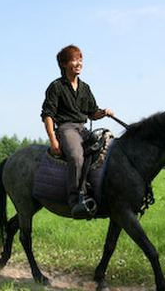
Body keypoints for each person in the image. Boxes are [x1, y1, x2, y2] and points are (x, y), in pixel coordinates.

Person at [41, 45, 114, 219]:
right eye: (74, 59)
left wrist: (103, 112)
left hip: (83, 128)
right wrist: (53, 140)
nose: (79, 63)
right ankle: (75, 199)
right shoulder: (56, 86)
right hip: (67, 128)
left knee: (108, 145)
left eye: (80, 59)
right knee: (76, 156)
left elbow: (92, 113)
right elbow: (48, 115)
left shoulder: (85, 87)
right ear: (64, 64)